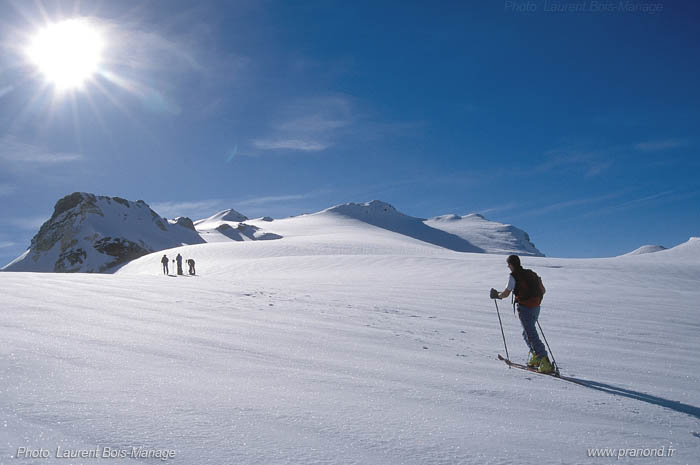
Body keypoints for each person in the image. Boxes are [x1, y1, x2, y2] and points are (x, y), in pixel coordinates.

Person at [490, 255, 553, 374]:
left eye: (508, 264)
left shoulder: (514, 276)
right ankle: (536, 358)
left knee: (530, 334)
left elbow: (506, 294)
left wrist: (497, 295)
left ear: (512, 264)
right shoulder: (530, 273)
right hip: (536, 306)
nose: (508, 266)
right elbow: (543, 290)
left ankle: (544, 362)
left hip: (525, 307)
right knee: (527, 333)